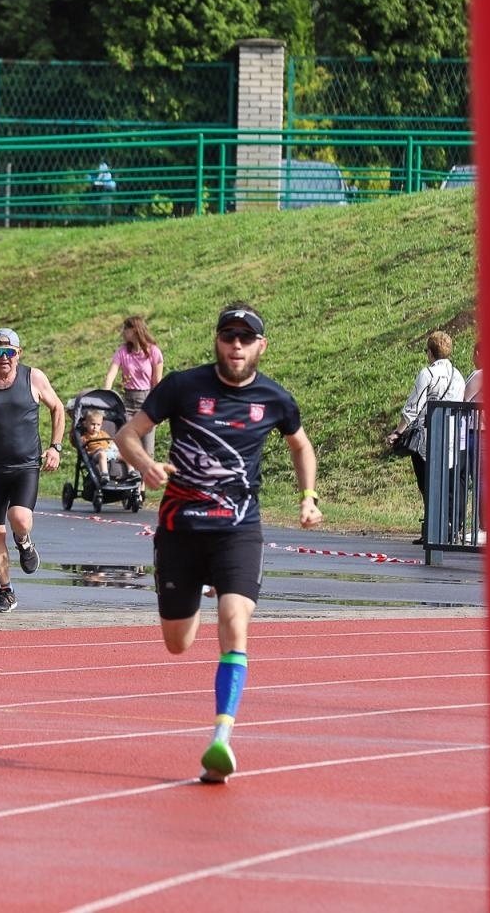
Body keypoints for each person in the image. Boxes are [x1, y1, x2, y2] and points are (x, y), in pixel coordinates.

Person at [116, 302, 323, 784]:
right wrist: (145, 466)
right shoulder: (183, 387)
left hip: (238, 530)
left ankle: (221, 738)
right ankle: (190, 599)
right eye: (228, 337)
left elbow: (301, 445)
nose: (236, 346)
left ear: (260, 347)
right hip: (180, 531)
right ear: (217, 341)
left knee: (234, 619)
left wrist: (308, 498)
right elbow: (128, 434)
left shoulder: (275, 398)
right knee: (178, 643)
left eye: (245, 339)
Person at [0, 327, 66, 614]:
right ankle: (6, 592)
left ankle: (24, 541)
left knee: (18, 517)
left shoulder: (34, 377)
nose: (3, 358)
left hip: (25, 466)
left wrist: (55, 447)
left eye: (9, 352)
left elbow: (57, 408)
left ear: (19, 353)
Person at [385, 329, 466, 544]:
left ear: (430, 352)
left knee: (426, 483)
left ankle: (431, 528)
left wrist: (398, 432)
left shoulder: (428, 374)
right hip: (450, 436)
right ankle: (449, 529)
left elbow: (413, 407)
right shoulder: (458, 376)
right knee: (446, 483)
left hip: (427, 439)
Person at [102, 316, 163, 460]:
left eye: (125, 329)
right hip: (128, 402)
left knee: (147, 451)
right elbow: (111, 374)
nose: (123, 332)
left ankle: (143, 482)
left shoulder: (154, 352)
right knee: (128, 447)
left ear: (135, 330)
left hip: (147, 402)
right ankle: (131, 480)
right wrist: (105, 395)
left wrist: (158, 407)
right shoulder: (122, 352)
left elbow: (157, 382)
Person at [462, 342, 485, 545]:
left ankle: (483, 526)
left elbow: (462, 401)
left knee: (479, 480)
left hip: (477, 432)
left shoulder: (479, 375)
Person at [79, 408, 119, 479]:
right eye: (93, 424)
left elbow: (111, 442)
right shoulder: (84, 437)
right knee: (102, 454)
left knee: (125, 455)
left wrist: (113, 448)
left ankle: (131, 471)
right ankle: (104, 474)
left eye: (98, 425)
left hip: (108, 452)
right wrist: (94, 451)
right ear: (85, 424)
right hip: (96, 455)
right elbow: (85, 452)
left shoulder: (103, 433)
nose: (95, 427)